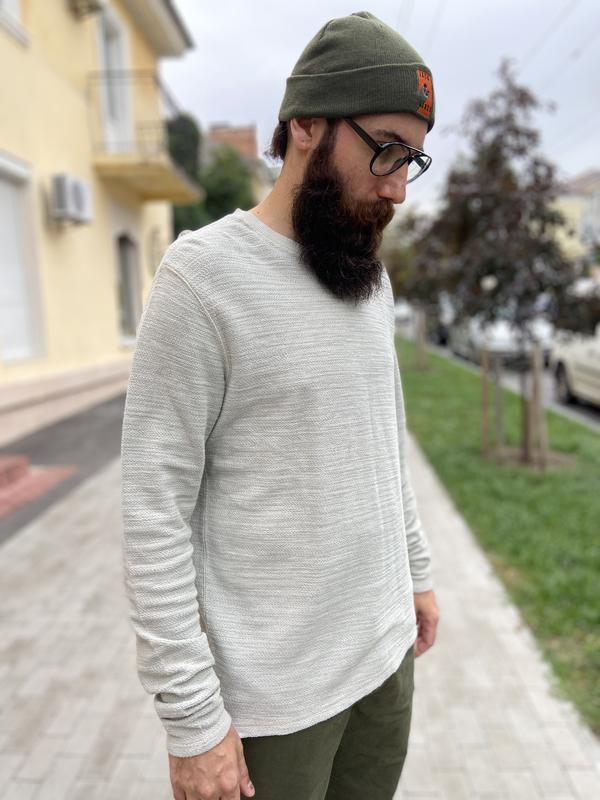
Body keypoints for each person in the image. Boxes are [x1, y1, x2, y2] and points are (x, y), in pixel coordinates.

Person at [120, 10, 439, 800]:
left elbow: (384, 444)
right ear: (305, 125)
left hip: (386, 660)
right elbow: (154, 511)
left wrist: (418, 572)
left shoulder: (369, 279)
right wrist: (192, 719)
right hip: (277, 703)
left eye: (413, 158)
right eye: (386, 149)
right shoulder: (202, 280)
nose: (398, 186)